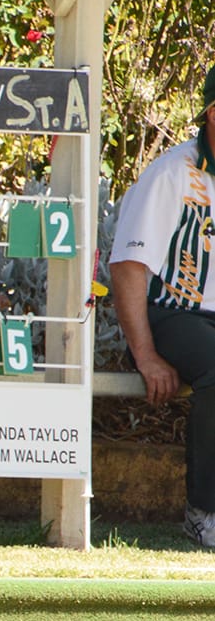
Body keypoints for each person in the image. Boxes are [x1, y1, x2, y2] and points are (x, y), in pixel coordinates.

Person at [111, 65, 215, 546]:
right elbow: (129, 265)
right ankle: (204, 512)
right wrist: (146, 354)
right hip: (175, 311)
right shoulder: (174, 171)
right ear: (213, 113)